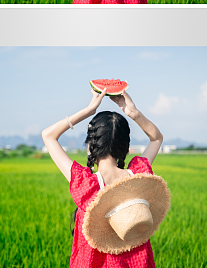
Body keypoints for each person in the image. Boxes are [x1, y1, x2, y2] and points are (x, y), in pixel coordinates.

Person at [42, 87, 164, 268]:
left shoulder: (86, 185)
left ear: (91, 144)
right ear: (125, 146)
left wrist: (88, 111)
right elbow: (156, 138)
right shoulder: (139, 175)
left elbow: (48, 136)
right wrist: (133, 113)